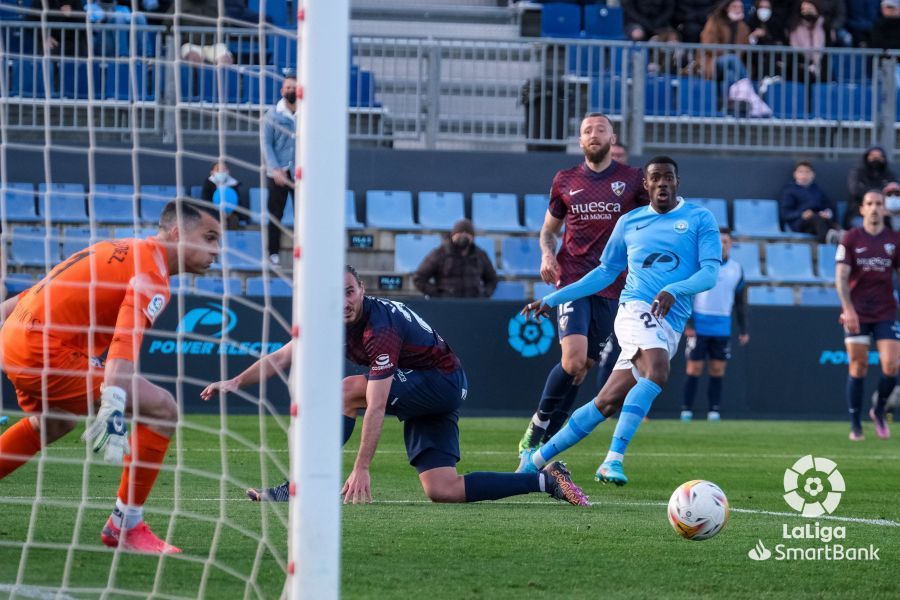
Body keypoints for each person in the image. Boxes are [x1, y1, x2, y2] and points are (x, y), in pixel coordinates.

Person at [200, 266, 591, 507]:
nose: (343, 301)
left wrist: (362, 467)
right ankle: (546, 480)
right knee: (443, 489)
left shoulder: (379, 328)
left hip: (443, 384)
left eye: (349, 291)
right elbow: (284, 355)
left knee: (348, 389)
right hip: (428, 388)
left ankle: (300, 485)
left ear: (362, 289)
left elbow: (374, 403)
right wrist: (235, 381)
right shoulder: (331, 316)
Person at [0, 199, 222, 553]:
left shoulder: (119, 246)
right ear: (178, 233)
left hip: (15, 337)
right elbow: (124, 344)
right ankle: (126, 524)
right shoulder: (152, 273)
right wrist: (114, 402)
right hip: (42, 349)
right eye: (210, 238)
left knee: (54, 423)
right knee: (163, 409)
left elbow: (36, 291)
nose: (217, 252)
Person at [519, 156, 721, 485]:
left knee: (606, 401)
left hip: (670, 323)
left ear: (677, 182)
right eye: (655, 178)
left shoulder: (700, 218)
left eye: (668, 178)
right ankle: (613, 460)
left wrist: (674, 289)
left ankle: (535, 459)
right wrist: (553, 298)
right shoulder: (630, 222)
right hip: (634, 308)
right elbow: (604, 273)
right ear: (646, 184)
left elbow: (710, 273)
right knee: (658, 371)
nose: (662, 184)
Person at [515, 113, 647, 469]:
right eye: (587, 130)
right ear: (580, 139)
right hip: (572, 278)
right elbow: (548, 230)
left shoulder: (633, 180)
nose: (593, 135)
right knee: (572, 359)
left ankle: (545, 450)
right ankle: (535, 429)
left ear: (612, 137)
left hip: (613, 286)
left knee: (583, 369)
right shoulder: (565, 179)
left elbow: (652, 221)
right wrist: (546, 253)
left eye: (600, 130)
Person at [835, 190, 900, 441]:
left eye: (879, 204)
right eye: (870, 204)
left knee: (892, 366)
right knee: (858, 366)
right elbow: (840, 277)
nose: (874, 208)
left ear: (884, 209)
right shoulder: (851, 238)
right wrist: (848, 309)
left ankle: (879, 410)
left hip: (885, 310)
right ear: (862, 209)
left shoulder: (894, 239)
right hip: (858, 312)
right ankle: (855, 425)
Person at [681, 227, 749, 421]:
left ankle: (714, 410)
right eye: (719, 241)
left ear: (731, 244)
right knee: (694, 368)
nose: (722, 244)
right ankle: (686, 410)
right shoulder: (700, 264)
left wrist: (743, 329)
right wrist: (689, 323)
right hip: (699, 324)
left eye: (726, 241)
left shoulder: (736, 269)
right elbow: (687, 293)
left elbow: (740, 301)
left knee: (717, 369)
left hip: (722, 326)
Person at [261, 73, 297, 265]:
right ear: (282, 90)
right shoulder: (272, 115)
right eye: (287, 87)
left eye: (293, 87)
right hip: (278, 173)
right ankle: (272, 253)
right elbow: (266, 145)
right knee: (275, 214)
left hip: (301, 174)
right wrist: (275, 169)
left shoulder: (307, 114)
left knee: (304, 216)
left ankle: (303, 252)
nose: (290, 91)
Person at [413, 218, 498, 298]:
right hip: (448, 307)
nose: (464, 235)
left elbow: (492, 279)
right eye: (460, 232)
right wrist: (438, 295)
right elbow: (419, 278)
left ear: (472, 237)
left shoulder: (480, 254)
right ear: (453, 235)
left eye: (467, 233)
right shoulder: (440, 253)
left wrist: (484, 294)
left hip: (474, 306)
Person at [780, 160, 842, 243]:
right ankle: (830, 240)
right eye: (801, 172)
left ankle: (838, 236)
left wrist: (827, 212)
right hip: (800, 224)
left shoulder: (817, 190)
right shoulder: (789, 191)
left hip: (819, 222)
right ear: (795, 174)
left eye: (807, 172)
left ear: (813, 175)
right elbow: (785, 213)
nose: (804, 175)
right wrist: (802, 214)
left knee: (823, 220)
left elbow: (828, 205)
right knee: (818, 220)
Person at [168, 0, 233, 65]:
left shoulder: (216, 2)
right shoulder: (179, 2)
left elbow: (226, 23)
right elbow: (168, 24)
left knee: (225, 59)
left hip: (213, 44)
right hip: (190, 44)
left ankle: (220, 74)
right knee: (193, 58)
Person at [846, 146, 896, 228]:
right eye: (873, 156)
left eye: (879, 156)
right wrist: (880, 192)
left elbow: (893, 190)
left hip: (885, 216)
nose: (876, 158)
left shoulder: (889, 175)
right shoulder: (857, 173)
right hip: (858, 214)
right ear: (866, 157)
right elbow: (855, 190)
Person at [786, 1, 830, 82]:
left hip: (819, 65)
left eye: (809, 9)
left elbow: (828, 44)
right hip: (800, 65)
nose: (806, 11)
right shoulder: (795, 26)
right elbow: (794, 48)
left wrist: (816, 21)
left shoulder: (823, 25)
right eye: (804, 9)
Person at [200, 160, 243, 230]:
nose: (221, 171)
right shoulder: (208, 184)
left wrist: (230, 213)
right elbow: (205, 202)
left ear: (228, 172)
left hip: (230, 215)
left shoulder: (233, 185)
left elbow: (238, 203)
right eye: (218, 169)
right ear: (212, 172)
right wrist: (218, 212)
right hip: (213, 213)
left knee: (234, 220)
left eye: (224, 169)